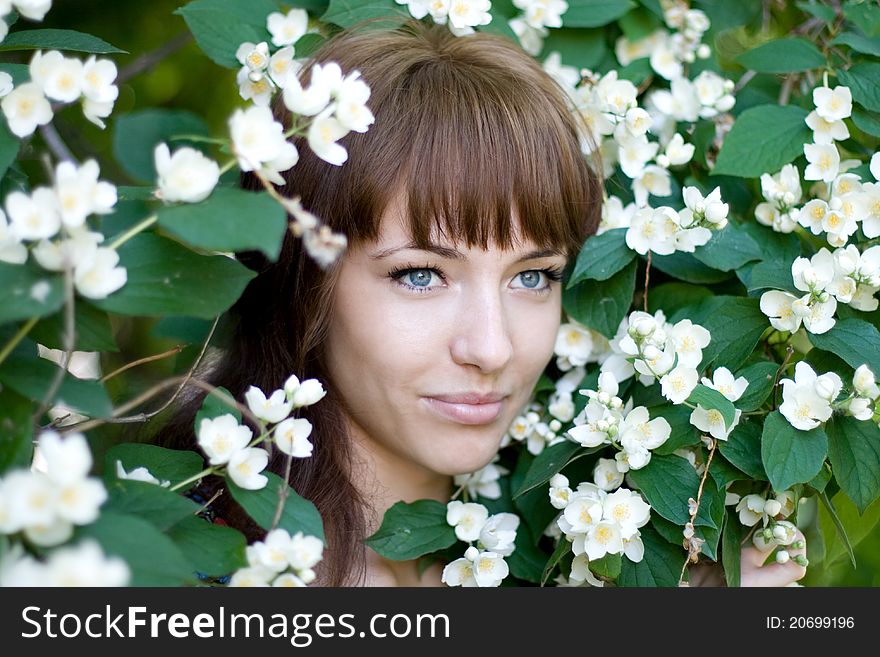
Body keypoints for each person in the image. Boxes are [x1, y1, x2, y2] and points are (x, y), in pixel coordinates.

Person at [160, 19, 806, 587]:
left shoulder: (569, 560)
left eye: (533, 276)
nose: (492, 347)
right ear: (302, 281)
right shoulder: (175, 575)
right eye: (420, 275)